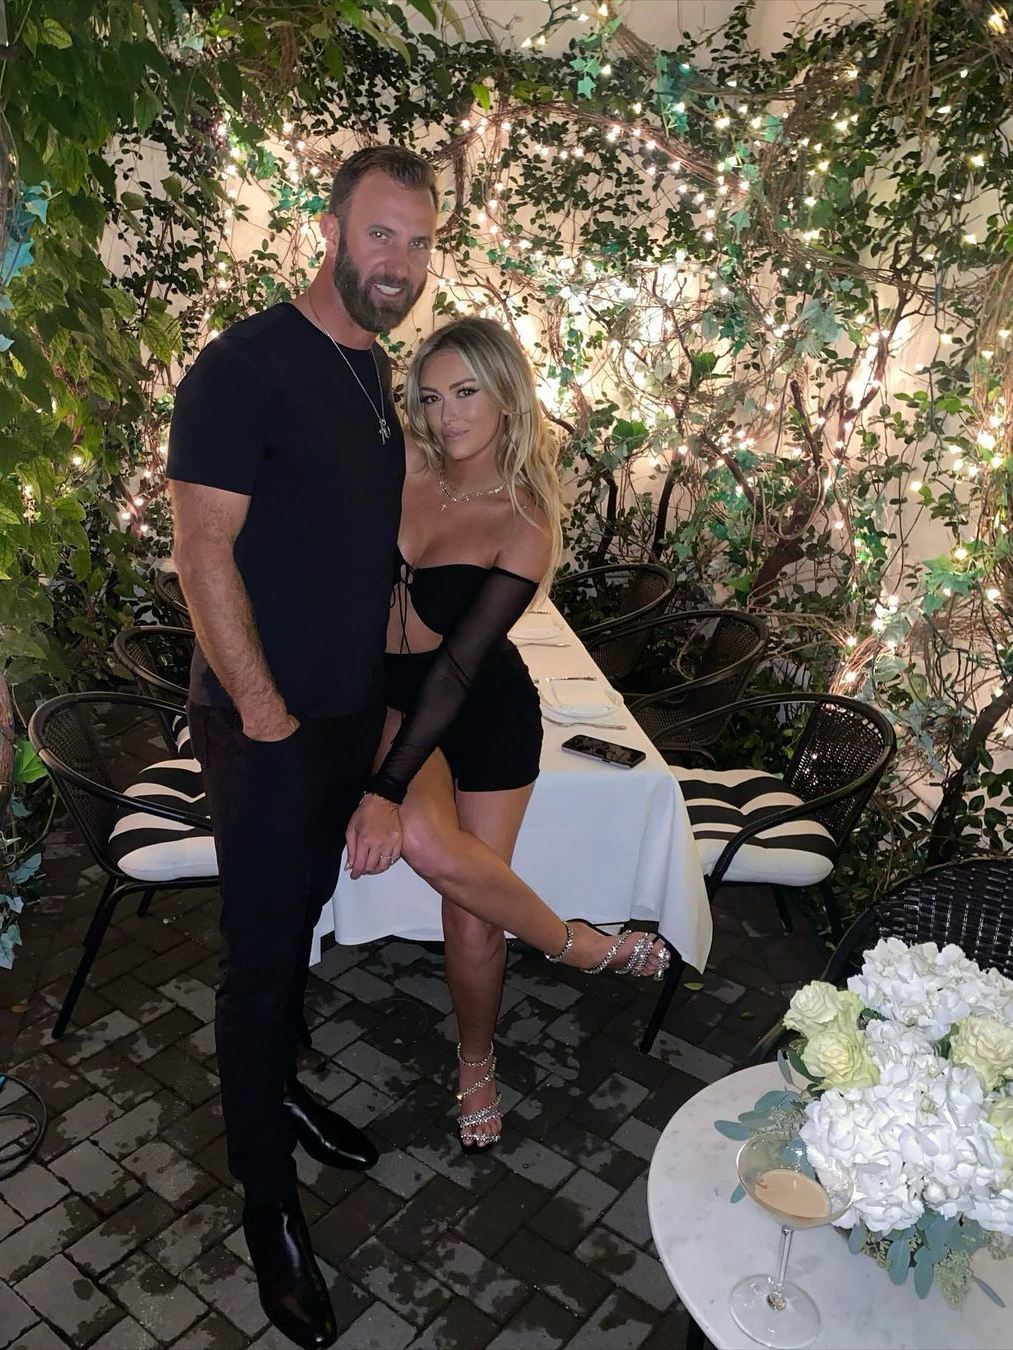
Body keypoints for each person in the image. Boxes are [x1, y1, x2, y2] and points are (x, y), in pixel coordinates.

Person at [167, 146, 438, 1350]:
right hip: (265, 723)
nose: (401, 263)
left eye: (420, 243)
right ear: (329, 229)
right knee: (262, 964)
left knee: (300, 933)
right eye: (382, 234)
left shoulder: (375, 371)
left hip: (342, 717)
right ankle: (267, 1206)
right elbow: (201, 553)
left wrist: (376, 709)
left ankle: (279, 1095)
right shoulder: (243, 368)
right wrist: (267, 715)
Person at [344, 316, 672, 1153]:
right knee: (427, 839)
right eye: (430, 397)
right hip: (391, 699)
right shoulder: (402, 462)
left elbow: (457, 671)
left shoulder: (523, 521)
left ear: (505, 396)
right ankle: (577, 945)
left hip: (480, 706)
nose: (446, 414)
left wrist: (382, 788)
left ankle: (477, 1062)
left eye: (466, 393)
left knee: (471, 917)